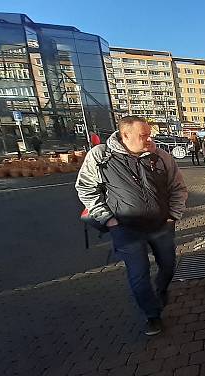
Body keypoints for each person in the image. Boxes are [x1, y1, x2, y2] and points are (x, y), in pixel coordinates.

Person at [75, 116, 188, 336]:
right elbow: (86, 189)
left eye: (149, 134)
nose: (148, 139)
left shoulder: (161, 157)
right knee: (139, 274)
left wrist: (172, 215)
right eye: (143, 135)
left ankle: (161, 289)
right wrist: (109, 220)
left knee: (168, 265)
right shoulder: (101, 156)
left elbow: (178, 187)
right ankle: (152, 315)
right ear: (125, 135)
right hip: (126, 229)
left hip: (161, 225)